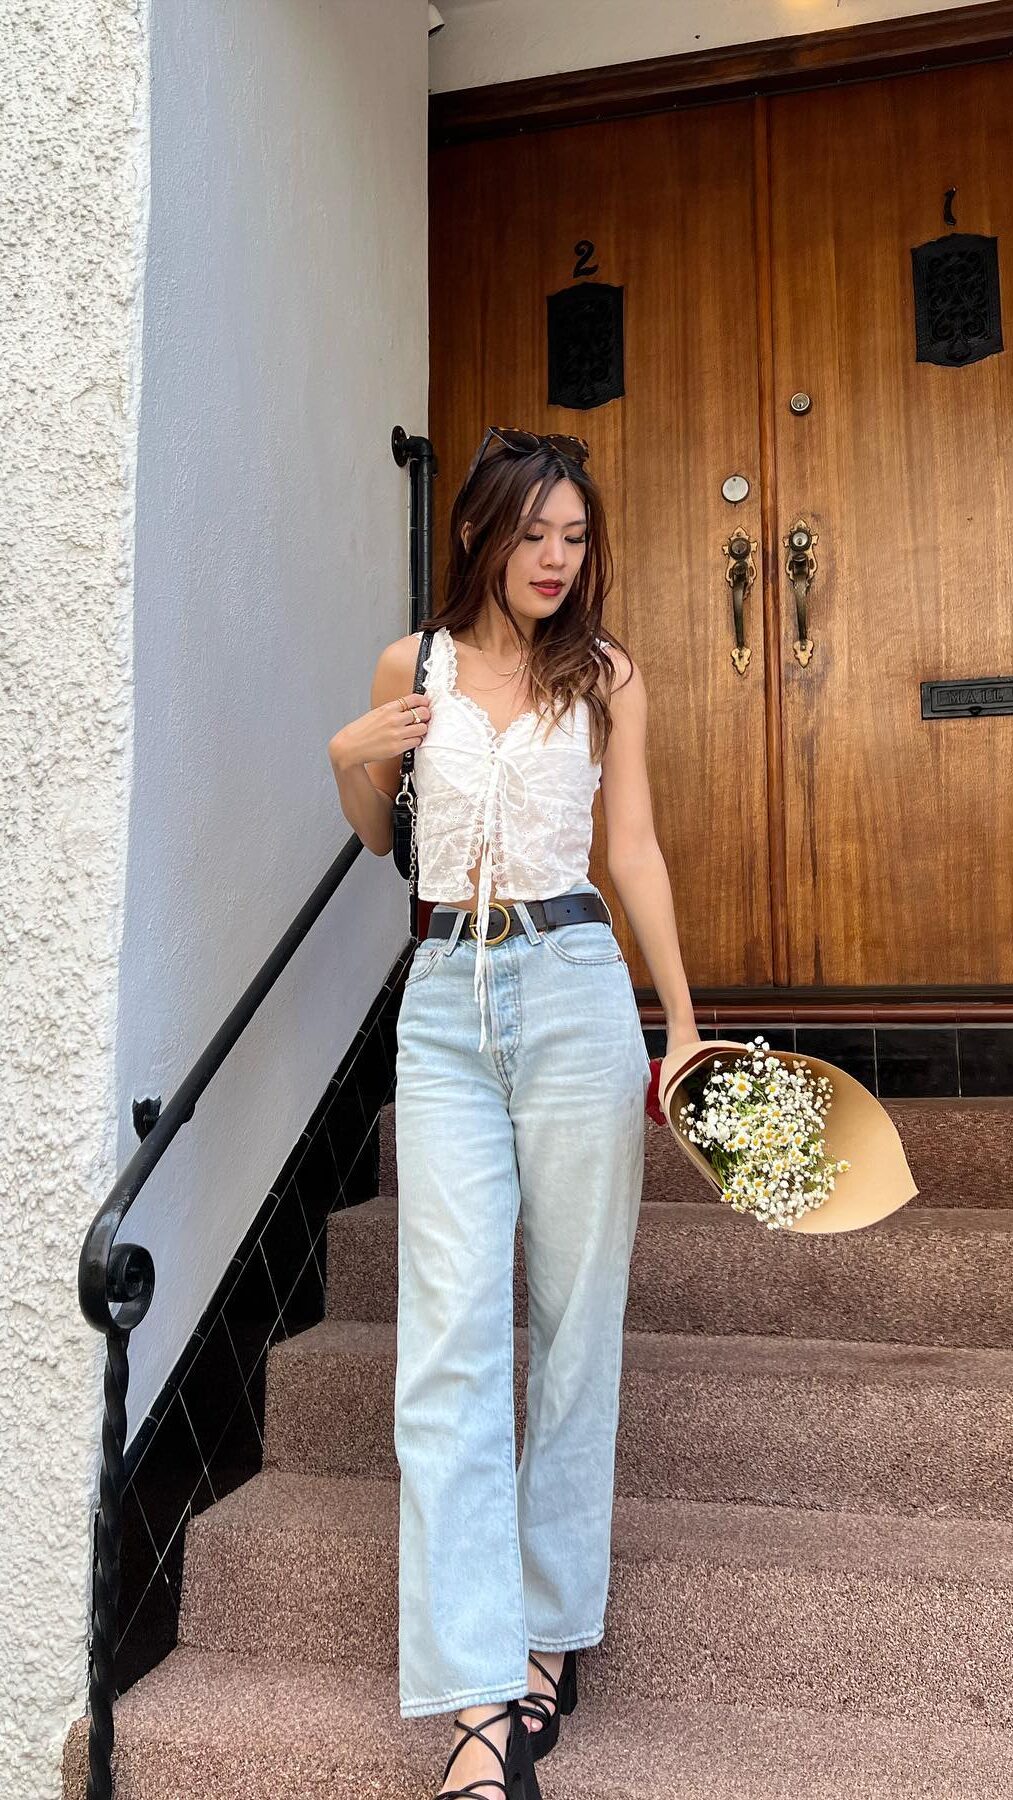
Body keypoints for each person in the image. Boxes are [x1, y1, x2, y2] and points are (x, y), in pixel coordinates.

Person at [328, 426, 701, 1799]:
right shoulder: (407, 667)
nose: (555, 561)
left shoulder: (603, 678)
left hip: (571, 988)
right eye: (532, 534)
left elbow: (636, 850)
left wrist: (681, 1021)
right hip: (441, 997)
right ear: (479, 532)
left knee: (574, 1316)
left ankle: (548, 1637)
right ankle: (482, 1701)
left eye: (574, 538)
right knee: (445, 1343)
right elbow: (380, 839)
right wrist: (346, 754)